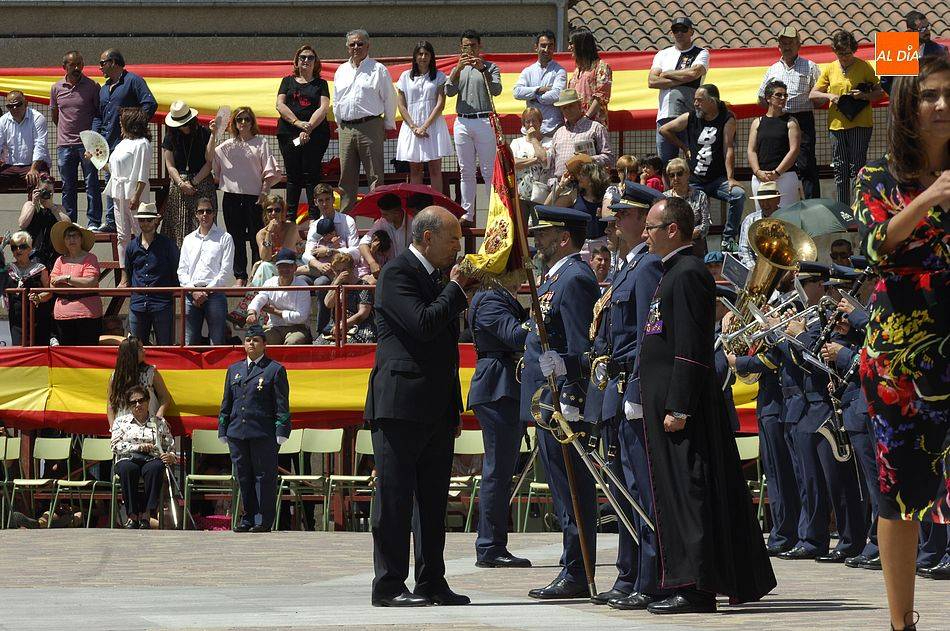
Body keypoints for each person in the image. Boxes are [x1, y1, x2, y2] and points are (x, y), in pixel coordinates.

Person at [636, 196, 776, 614]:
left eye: (651, 227)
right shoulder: (670, 272)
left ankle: (695, 587)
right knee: (677, 494)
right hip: (667, 406)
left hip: (685, 412)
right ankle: (681, 578)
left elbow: (692, 348)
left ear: (672, 230)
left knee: (690, 493)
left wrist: (678, 405)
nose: (645, 234)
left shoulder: (690, 272)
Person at [852, 56, 949, 631]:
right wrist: (929, 198)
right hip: (900, 364)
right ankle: (901, 623)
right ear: (910, 108)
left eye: (949, 96)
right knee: (901, 496)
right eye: (929, 96)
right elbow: (873, 248)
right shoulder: (879, 179)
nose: (941, 106)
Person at [364, 206, 472, 607]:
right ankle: (389, 585)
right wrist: (456, 290)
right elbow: (423, 324)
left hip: (436, 408)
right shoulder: (397, 274)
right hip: (399, 405)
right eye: (453, 239)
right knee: (394, 499)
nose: (458, 248)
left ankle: (431, 580)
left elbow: (446, 351)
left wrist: (453, 407)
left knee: (432, 499)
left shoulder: (437, 279)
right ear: (427, 238)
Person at [585, 186, 665, 610]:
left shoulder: (648, 266)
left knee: (640, 488)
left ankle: (648, 577)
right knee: (623, 490)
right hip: (613, 392)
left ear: (641, 218)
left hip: (631, 390)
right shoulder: (625, 269)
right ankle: (628, 572)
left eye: (624, 215)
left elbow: (644, 337)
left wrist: (635, 390)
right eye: (614, 215)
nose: (615, 222)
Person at [521, 206, 601, 600]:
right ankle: (572, 563)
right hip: (547, 402)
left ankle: (577, 569)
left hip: (564, 403)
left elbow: (581, 347)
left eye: (544, 233)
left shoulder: (575, 279)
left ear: (564, 238)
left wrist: (570, 389)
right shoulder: (555, 277)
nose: (537, 238)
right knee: (560, 489)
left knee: (572, 489)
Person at [467, 275, 531, 568]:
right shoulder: (491, 299)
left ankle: (493, 542)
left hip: (505, 387)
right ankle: (490, 545)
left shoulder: (498, 298)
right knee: (498, 469)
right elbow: (515, 336)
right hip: (497, 387)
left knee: (502, 469)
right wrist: (540, 322)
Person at [218, 323, 291, 532]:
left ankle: (262, 520)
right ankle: (247, 517)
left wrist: (281, 430)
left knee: (263, 476)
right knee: (243, 476)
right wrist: (223, 428)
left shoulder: (274, 370)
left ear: (264, 344)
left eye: (256, 340)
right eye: (248, 340)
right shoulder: (235, 370)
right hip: (237, 432)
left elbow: (281, 404)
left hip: (262, 432)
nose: (251, 343)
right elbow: (227, 402)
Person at [658, 84, 746, 250]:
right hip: (694, 181)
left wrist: (731, 177)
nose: (696, 103)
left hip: (717, 180)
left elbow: (728, 148)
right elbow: (664, 129)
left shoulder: (727, 118)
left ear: (712, 101)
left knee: (738, 195)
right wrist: (684, 147)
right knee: (684, 209)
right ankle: (682, 243)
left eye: (700, 100)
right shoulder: (691, 116)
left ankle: (728, 239)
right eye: (695, 100)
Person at [809, 30, 884, 206]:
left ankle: (858, 206)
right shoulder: (830, 68)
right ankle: (843, 209)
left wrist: (863, 96)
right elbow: (813, 93)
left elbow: (879, 92)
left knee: (857, 166)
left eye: (848, 53)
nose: (844, 57)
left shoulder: (864, 66)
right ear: (835, 51)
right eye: (840, 53)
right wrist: (830, 96)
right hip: (836, 125)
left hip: (861, 123)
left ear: (854, 50)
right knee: (840, 167)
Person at [208, 107, 282, 285]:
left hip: (255, 198)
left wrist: (264, 192)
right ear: (233, 123)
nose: (243, 123)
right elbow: (210, 158)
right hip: (231, 197)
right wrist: (213, 134)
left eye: (247, 119)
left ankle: (257, 275)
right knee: (235, 238)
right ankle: (240, 276)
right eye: (239, 119)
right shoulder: (226, 146)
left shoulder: (261, 142)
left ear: (252, 122)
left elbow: (269, 171)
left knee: (258, 236)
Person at [94, 49, 158, 233]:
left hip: (129, 143)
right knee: (111, 179)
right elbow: (99, 115)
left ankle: (135, 225)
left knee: (132, 180)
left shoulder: (133, 81)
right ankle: (112, 220)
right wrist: (95, 134)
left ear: (113, 62)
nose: (99, 67)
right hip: (109, 142)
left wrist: (135, 125)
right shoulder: (104, 88)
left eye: (102, 63)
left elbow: (150, 103)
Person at [333, 29, 397, 212]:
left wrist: (385, 126)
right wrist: (340, 125)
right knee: (346, 178)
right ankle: (346, 221)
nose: (356, 47)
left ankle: (379, 219)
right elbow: (337, 100)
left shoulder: (378, 69)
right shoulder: (341, 70)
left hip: (371, 126)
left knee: (375, 176)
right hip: (345, 128)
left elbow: (389, 99)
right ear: (347, 47)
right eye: (352, 44)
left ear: (368, 46)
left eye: (360, 44)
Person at [446, 29, 503, 227]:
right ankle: (467, 214)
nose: (469, 50)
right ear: (460, 48)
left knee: (488, 170)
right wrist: (456, 71)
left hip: (483, 119)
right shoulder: (458, 69)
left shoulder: (490, 67)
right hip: (462, 120)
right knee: (466, 171)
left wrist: (483, 70)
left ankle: (494, 212)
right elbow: (449, 91)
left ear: (480, 47)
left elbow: (497, 90)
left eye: (473, 46)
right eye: (465, 46)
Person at [757, 27, 822, 199]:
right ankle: (779, 204)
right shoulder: (772, 69)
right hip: (778, 121)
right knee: (778, 163)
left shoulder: (811, 67)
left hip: (802, 120)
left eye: (790, 43)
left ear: (799, 45)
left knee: (806, 165)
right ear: (778, 46)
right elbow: (760, 97)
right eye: (783, 43)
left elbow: (820, 96)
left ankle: (811, 206)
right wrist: (773, 112)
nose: (786, 46)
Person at [111, 385, 177, 529]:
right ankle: (132, 516)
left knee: (156, 467)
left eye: (141, 400)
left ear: (148, 401)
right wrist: (137, 447)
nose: (138, 405)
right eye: (133, 402)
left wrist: (171, 456)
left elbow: (170, 445)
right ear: (128, 405)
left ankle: (147, 514)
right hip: (128, 458)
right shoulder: (120, 422)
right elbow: (115, 446)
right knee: (127, 468)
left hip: (151, 458)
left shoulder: (159, 422)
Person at [276, 45, 331, 214]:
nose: (306, 60)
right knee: (293, 176)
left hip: (315, 135)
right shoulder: (287, 81)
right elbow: (280, 104)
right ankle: (290, 218)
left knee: (312, 175)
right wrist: (298, 123)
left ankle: (315, 217)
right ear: (297, 61)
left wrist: (308, 129)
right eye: (302, 57)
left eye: (310, 57)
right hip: (289, 135)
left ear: (316, 62)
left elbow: (324, 107)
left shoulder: (321, 84)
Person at [50, 51, 102, 224]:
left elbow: (97, 114)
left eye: (80, 63)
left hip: (87, 146)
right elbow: (55, 115)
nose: (77, 67)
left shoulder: (93, 86)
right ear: (64, 67)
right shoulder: (56, 88)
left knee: (92, 184)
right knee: (68, 187)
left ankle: (93, 222)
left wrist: (91, 138)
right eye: (73, 64)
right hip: (65, 146)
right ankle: (69, 223)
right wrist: (66, 132)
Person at [648, 17, 709, 163]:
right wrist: (681, 79)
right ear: (671, 33)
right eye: (676, 30)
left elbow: (694, 73)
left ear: (692, 32)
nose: (679, 33)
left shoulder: (701, 53)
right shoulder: (662, 54)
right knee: (665, 164)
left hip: (689, 115)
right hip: (664, 115)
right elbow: (651, 81)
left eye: (683, 29)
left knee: (694, 160)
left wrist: (667, 73)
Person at [98, 107, 151, 275]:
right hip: (118, 194)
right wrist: (94, 157)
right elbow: (113, 170)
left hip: (134, 194)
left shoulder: (142, 143)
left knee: (141, 232)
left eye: (122, 121)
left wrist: (136, 195)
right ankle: (125, 275)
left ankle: (144, 271)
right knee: (122, 236)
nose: (119, 124)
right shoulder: (122, 143)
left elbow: (142, 173)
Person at [396, 41, 453, 193]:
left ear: (431, 57)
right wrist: (415, 127)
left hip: (433, 126)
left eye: (427, 54)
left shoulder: (440, 76)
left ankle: (437, 205)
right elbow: (401, 106)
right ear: (415, 57)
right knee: (415, 170)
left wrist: (425, 127)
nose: (423, 57)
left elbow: (440, 104)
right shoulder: (405, 77)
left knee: (435, 170)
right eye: (420, 54)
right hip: (411, 127)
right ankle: (418, 206)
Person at [177, 198, 236, 345]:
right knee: (189, 341)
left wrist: (206, 292)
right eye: (201, 211)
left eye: (208, 211)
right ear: (196, 215)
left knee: (217, 342)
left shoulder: (225, 238)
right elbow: (182, 270)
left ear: (214, 213)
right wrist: (193, 291)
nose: (205, 214)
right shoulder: (188, 239)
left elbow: (226, 271)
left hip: (215, 294)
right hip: (191, 295)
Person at [302, 185, 361, 332]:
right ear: (315, 202)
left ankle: (322, 330)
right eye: (320, 200)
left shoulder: (348, 221)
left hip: (342, 271)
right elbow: (306, 254)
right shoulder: (315, 225)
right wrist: (318, 264)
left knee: (321, 283)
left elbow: (355, 252)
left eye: (327, 199)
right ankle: (301, 327)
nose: (324, 204)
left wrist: (329, 251)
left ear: (333, 199)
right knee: (299, 281)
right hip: (321, 269)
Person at [122, 203, 180, 345]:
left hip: (162, 303)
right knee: (135, 347)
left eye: (148, 219)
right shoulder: (131, 246)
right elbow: (129, 272)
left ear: (156, 221)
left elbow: (176, 270)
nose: (145, 223)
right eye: (142, 220)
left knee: (165, 347)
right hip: (138, 304)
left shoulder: (167, 244)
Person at [161, 100, 216, 247]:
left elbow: (209, 162)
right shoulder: (170, 136)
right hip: (179, 185)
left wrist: (194, 182)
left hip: (202, 182)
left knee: (202, 222)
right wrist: (181, 183)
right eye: (179, 124)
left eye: (185, 123)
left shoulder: (204, 133)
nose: (183, 127)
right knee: (178, 225)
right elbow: (170, 164)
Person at [748, 80, 801, 209]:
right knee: (762, 219)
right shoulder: (757, 122)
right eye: (778, 95)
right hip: (760, 178)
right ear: (768, 98)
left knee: (788, 217)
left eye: (785, 95)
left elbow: (794, 150)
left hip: (785, 177)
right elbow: (751, 150)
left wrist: (777, 173)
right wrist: (758, 172)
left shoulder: (791, 122)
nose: (783, 98)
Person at [49, 221, 102, 345]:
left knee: (87, 353)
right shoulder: (60, 260)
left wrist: (66, 279)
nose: (71, 239)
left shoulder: (91, 258)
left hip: (88, 315)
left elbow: (90, 282)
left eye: (75, 236)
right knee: (67, 354)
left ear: (81, 239)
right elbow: (53, 285)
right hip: (63, 315)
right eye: (68, 236)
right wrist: (77, 282)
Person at [246, 248, 312, 345]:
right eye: (281, 266)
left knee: (293, 342)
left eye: (288, 266)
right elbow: (259, 298)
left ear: (295, 267)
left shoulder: (303, 285)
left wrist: (275, 312)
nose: (284, 269)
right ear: (277, 268)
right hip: (274, 327)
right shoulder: (270, 282)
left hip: (298, 328)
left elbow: (301, 317)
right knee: (262, 341)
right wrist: (252, 312)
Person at [547, 89, 614, 181]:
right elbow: (552, 164)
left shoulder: (596, 128)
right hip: (561, 187)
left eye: (571, 106)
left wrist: (588, 159)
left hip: (588, 187)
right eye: (564, 108)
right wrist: (552, 183)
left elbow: (609, 158)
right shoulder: (558, 133)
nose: (568, 110)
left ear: (579, 105)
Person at [106, 335, 173, 427]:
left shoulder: (151, 372)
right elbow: (110, 404)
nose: (144, 351)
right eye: (140, 349)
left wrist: (158, 416)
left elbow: (165, 397)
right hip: (123, 428)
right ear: (130, 353)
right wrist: (113, 427)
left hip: (149, 425)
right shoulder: (115, 376)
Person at [512, 30, 566, 136]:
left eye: (550, 46)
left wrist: (533, 97)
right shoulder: (528, 71)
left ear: (554, 48)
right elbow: (517, 92)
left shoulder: (560, 71)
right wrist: (539, 89)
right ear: (536, 47)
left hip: (553, 127)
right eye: (543, 45)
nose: (547, 49)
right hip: (530, 129)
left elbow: (557, 95)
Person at [3, 231, 53, 345]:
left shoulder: (40, 269)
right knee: (20, 351)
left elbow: (49, 292)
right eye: (14, 247)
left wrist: (39, 297)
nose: (18, 250)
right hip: (17, 320)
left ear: (30, 248)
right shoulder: (8, 269)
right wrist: (2, 247)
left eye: (22, 246)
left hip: (38, 317)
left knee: (39, 350)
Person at [0, 91, 50, 194]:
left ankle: (35, 209)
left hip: (34, 164)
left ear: (26, 103)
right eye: (10, 106)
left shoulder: (37, 118)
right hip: (11, 165)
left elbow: (40, 145)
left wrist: (33, 169)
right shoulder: (2, 121)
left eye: (18, 104)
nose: (14, 108)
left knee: (41, 185)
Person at [17, 174, 71, 270]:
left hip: (55, 253)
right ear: (37, 190)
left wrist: (52, 208)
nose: (47, 194)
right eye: (44, 191)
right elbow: (22, 224)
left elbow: (68, 226)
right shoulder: (30, 205)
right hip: (34, 253)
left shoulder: (58, 208)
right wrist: (34, 204)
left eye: (50, 192)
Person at [321, 251, 376, 343]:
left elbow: (363, 313)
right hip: (336, 326)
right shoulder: (336, 284)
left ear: (351, 268)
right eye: (337, 271)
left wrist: (344, 324)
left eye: (344, 270)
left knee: (350, 344)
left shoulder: (362, 285)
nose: (341, 273)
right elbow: (328, 304)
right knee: (319, 346)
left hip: (359, 325)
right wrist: (336, 284)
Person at [359, 193, 413, 282]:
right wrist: (372, 263)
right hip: (388, 272)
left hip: (408, 272)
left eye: (386, 214)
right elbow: (363, 244)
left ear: (397, 212)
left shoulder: (413, 223)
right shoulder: (382, 222)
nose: (382, 216)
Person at [567, 26, 612, 129]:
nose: (569, 48)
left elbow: (601, 97)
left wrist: (586, 118)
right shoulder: (577, 71)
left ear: (581, 45)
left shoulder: (601, 67)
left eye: (571, 44)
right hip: (576, 125)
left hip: (593, 125)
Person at [663, 157, 709, 255]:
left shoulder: (700, 196)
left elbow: (705, 225)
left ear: (687, 174)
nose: (675, 178)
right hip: (672, 247)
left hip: (695, 245)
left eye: (679, 173)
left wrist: (688, 236)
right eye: (672, 175)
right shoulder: (665, 198)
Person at [737, 181, 783, 268]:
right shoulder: (750, 220)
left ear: (778, 199)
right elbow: (744, 251)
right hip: (756, 268)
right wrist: (755, 269)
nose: (764, 204)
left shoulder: (788, 219)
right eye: (761, 201)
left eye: (768, 200)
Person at [510, 107, 550, 202]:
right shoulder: (516, 143)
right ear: (524, 124)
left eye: (534, 121)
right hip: (521, 195)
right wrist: (535, 160)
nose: (531, 124)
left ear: (540, 122)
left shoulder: (549, 142)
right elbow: (513, 163)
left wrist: (533, 139)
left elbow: (544, 160)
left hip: (543, 196)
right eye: (528, 121)